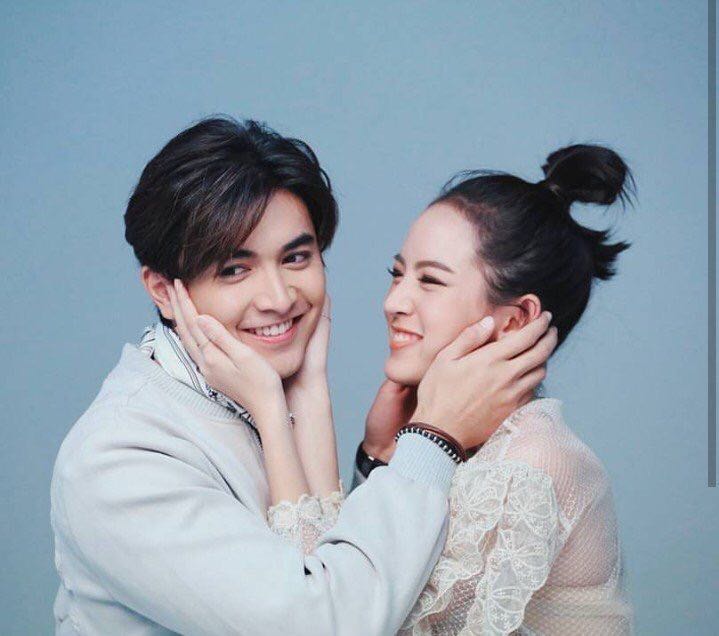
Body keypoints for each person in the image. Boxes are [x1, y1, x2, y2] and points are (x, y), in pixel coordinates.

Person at [50, 117, 557, 635]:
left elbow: (329, 573)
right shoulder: (116, 460)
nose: (279, 298)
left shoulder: (258, 388)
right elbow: (320, 624)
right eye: (234, 269)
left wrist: (373, 462)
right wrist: (432, 438)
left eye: (296, 257)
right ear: (163, 290)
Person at [194, 143, 636, 633]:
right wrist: (376, 456)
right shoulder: (461, 446)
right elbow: (342, 583)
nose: (394, 302)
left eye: (430, 281)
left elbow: (325, 619)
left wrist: (273, 412)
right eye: (397, 274)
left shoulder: (532, 462)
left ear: (516, 320)